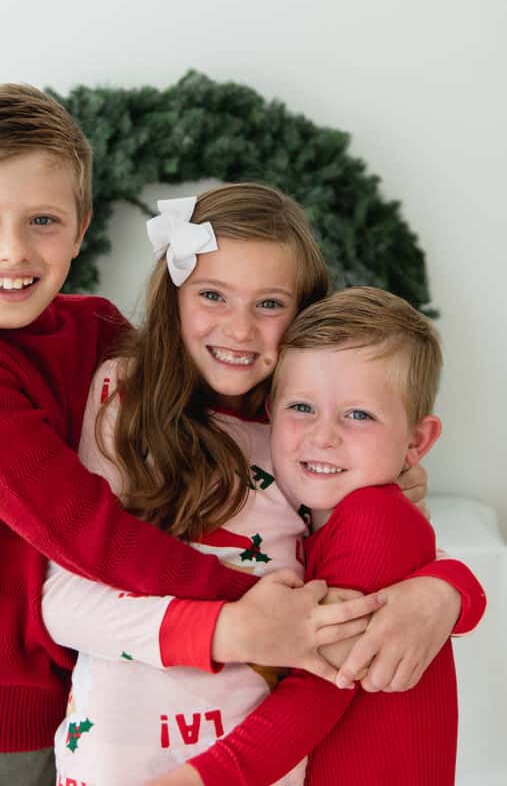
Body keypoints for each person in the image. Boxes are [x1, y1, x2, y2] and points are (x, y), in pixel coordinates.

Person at [0, 85, 384, 786]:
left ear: (80, 225)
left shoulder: (90, 330)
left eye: (42, 220)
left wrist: (359, 452)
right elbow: (79, 526)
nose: (13, 249)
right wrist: (243, 603)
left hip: (88, 685)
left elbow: (203, 383)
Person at [41, 192, 486, 786]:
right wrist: (226, 630)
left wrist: (446, 591)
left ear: (303, 312)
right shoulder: (125, 398)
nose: (240, 328)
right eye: (212, 295)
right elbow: (64, 600)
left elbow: (377, 558)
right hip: (117, 754)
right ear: (174, 295)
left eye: (270, 303)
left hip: (255, 755)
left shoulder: (306, 431)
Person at [155, 287, 484, 786]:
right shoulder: (311, 517)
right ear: (269, 413)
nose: (323, 435)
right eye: (302, 408)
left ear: (416, 442)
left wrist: (204, 778)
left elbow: (321, 687)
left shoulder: (374, 517)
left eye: (358, 415)